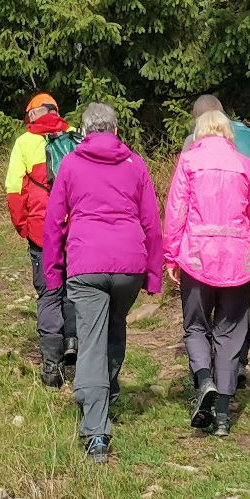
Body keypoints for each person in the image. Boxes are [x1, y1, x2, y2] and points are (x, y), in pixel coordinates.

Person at [42, 101, 163, 463]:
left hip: (86, 264)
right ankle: (106, 391)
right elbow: (152, 222)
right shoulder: (135, 164)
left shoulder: (71, 164)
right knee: (115, 326)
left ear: (83, 131)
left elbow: (54, 222)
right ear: (115, 129)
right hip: (129, 266)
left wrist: (53, 272)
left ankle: (96, 429)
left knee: (92, 341)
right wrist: (153, 275)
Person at [164, 109, 250, 436]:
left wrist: (171, 256)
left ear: (199, 132)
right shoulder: (243, 165)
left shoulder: (188, 162)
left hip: (197, 257)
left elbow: (176, 211)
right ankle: (223, 416)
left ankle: (204, 381)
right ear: (228, 133)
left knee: (196, 326)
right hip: (238, 260)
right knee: (230, 333)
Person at [5, 92, 79, 387]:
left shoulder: (24, 143)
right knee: (75, 288)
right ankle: (74, 343)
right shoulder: (76, 138)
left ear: (35, 114)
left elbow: (14, 190)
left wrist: (23, 226)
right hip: (76, 228)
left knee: (49, 293)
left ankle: (52, 367)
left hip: (40, 228)